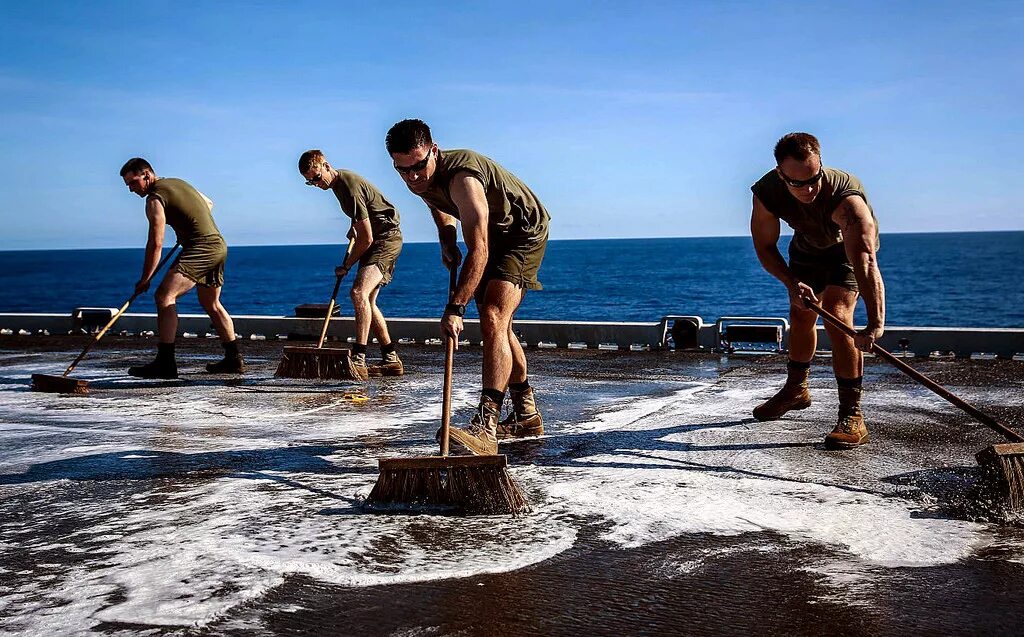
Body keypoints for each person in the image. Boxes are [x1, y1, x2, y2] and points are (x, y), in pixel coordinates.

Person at [385, 119, 549, 455]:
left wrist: (455, 308)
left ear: (435, 151)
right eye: (404, 170)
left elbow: (480, 249)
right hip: (490, 234)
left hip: (521, 233)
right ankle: (527, 414)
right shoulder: (417, 178)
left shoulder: (463, 179)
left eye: (419, 166)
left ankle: (486, 425)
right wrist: (446, 237)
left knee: (491, 315)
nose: (413, 176)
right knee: (499, 327)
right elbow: (435, 202)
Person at [749, 132, 885, 449]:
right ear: (781, 174)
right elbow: (765, 247)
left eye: (814, 178)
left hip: (847, 253)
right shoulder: (767, 192)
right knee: (801, 312)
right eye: (797, 183)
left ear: (820, 164)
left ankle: (852, 415)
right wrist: (791, 282)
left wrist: (875, 324)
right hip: (807, 250)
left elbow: (865, 263)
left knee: (837, 316)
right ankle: (796, 389)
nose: (808, 189)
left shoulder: (847, 201)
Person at [119, 157, 242, 378]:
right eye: (128, 185)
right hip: (218, 245)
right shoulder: (178, 182)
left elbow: (156, 243)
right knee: (211, 303)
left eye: (133, 182)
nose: (131, 189)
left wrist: (145, 278)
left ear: (147, 175)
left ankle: (166, 363)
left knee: (164, 297)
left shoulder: (154, 199)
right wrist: (186, 226)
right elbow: (208, 203)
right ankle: (234, 360)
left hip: (201, 247)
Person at [298, 150, 404, 378]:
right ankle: (391, 358)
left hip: (385, 239)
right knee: (368, 300)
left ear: (326, 165)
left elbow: (366, 238)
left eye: (316, 177)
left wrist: (346, 265)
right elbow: (362, 219)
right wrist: (354, 225)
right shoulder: (338, 185)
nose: (316, 184)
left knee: (358, 292)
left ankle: (359, 357)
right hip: (377, 236)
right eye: (310, 182)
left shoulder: (347, 184)